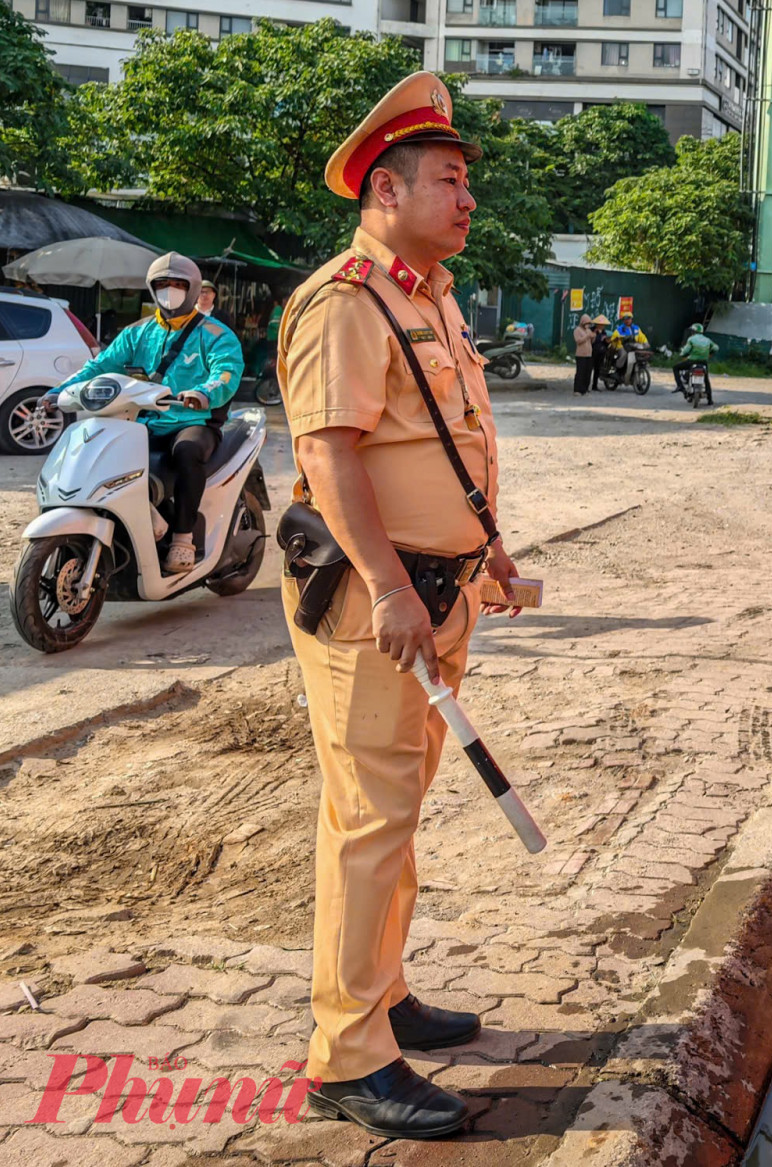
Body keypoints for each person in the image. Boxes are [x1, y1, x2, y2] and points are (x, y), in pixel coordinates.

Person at [276, 70, 528, 1142]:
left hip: (442, 598)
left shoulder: (429, 296)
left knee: (399, 811)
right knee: (368, 824)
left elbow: (451, 442)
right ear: (385, 188)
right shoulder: (344, 300)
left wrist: (496, 553)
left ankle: (382, 997)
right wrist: (385, 583)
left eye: (467, 181)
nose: (468, 200)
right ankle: (347, 1055)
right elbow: (326, 454)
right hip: (379, 607)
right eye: (449, 181)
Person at [55, 253, 244, 574]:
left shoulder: (215, 335)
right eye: (162, 284)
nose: (170, 290)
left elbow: (226, 373)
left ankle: (183, 538)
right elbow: (100, 365)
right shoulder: (137, 333)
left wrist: (203, 393)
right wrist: (57, 390)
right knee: (101, 452)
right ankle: (141, 514)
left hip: (192, 421)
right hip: (141, 421)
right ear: (151, 289)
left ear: (194, 288)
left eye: (178, 284)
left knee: (187, 452)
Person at [674, 320, 717, 402]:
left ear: (693, 331)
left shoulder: (691, 339)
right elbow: (716, 348)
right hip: (703, 362)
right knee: (706, 379)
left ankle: (680, 386)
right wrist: (709, 354)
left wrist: (682, 355)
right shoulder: (707, 340)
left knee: (675, 368)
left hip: (692, 361)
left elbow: (686, 351)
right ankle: (710, 399)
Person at [572, 315, 596, 396]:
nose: (587, 324)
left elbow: (591, 341)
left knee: (587, 372)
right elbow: (578, 341)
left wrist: (593, 336)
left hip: (589, 354)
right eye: (586, 323)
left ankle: (584, 389)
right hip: (581, 355)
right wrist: (587, 336)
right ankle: (577, 389)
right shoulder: (577, 330)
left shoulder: (588, 330)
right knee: (580, 372)